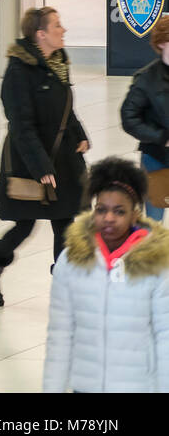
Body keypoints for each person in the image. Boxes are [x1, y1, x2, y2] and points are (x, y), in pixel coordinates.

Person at [0, 7, 89, 306]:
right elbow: (21, 126)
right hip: (29, 162)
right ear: (41, 34)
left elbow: (66, 107)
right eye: (57, 25)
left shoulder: (58, 62)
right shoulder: (19, 72)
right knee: (25, 224)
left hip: (61, 159)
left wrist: (79, 135)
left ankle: (66, 285)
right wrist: (40, 166)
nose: (63, 29)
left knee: (65, 220)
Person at [43, 157, 169, 393]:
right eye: (101, 210)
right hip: (85, 386)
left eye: (119, 211)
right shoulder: (71, 262)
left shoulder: (158, 264)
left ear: (135, 214)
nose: (109, 218)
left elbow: (166, 336)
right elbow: (60, 335)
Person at [121, 17, 169, 225]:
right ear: (162, 43)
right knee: (153, 222)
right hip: (157, 159)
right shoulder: (147, 79)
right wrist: (161, 137)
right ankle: (150, 257)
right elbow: (129, 118)